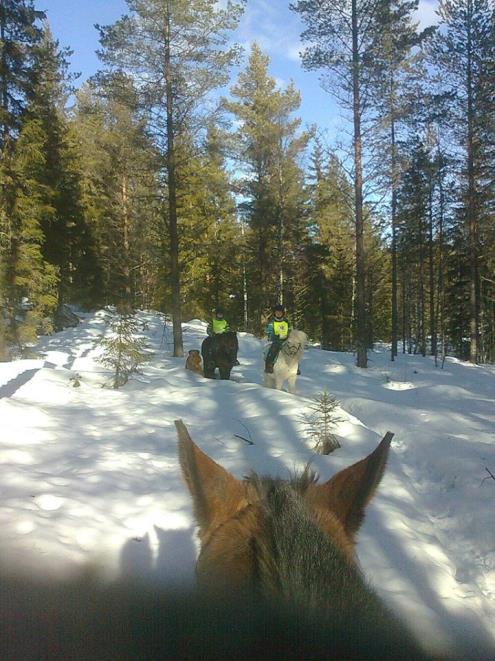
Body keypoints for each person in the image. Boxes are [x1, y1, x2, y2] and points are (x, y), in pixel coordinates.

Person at [264, 304, 291, 373]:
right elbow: (269, 331)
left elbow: (290, 329)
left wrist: (288, 335)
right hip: (275, 340)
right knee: (274, 347)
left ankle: (295, 366)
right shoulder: (272, 322)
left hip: (285, 340)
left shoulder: (286, 322)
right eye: (277, 312)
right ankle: (269, 365)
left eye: (280, 312)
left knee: (293, 347)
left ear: (283, 313)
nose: (278, 314)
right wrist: (275, 336)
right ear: (274, 313)